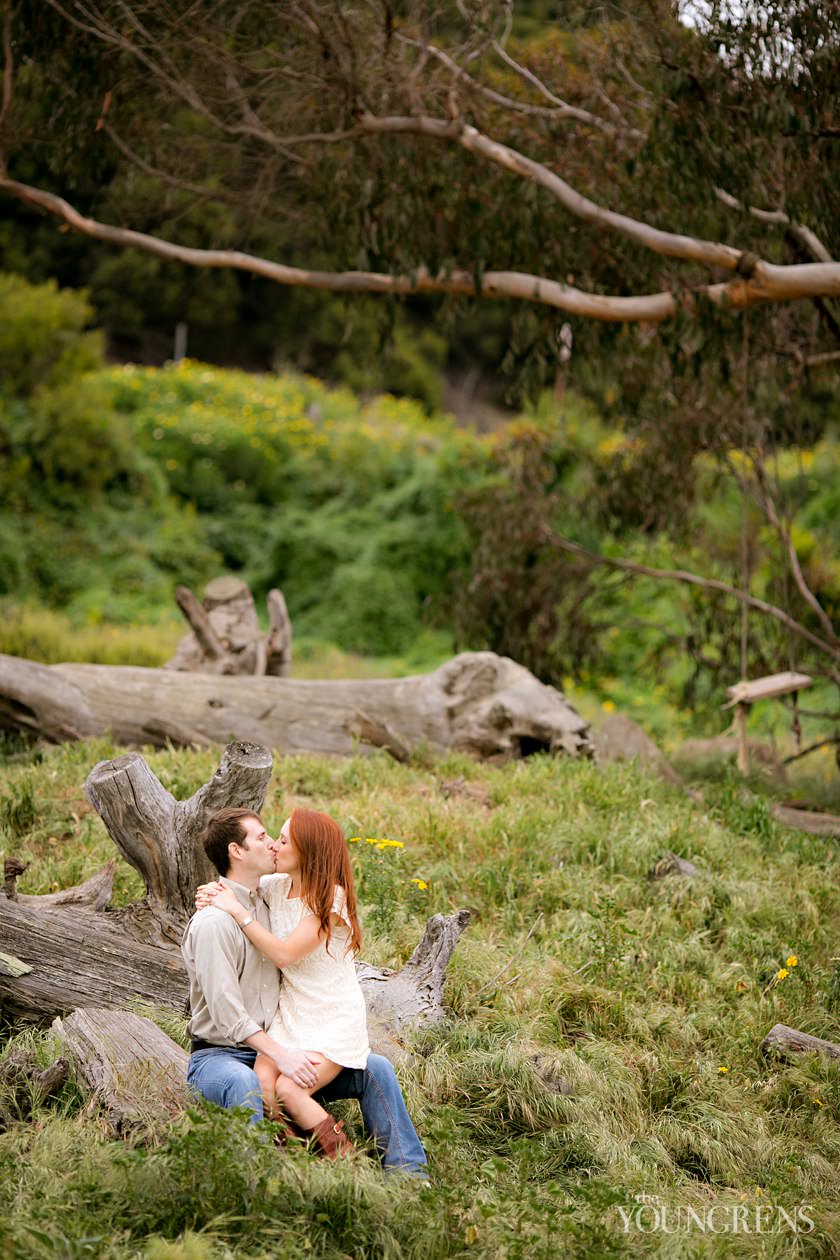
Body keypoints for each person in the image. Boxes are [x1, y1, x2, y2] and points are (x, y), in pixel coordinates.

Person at [182, 806, 427, 1173]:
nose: (273, 846)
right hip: (225, 1053)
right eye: (264, 838)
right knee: (247, 1082)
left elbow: (281, 949)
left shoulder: (263, 899)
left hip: (301, 1030)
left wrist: (233, 903)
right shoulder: (221, 919)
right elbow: (225, 1011)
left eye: (279, 839)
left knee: (376, 1068)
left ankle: (407, 1173)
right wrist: (215, 894)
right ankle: (268, 1179)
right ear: (237, 851)